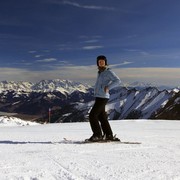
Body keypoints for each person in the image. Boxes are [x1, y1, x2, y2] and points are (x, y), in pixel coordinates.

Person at [86, 55, 121, 142]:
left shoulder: (108, 72)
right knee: (102, 117)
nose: (101, 63)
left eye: (102, 61)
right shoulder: (100, 72)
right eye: (99, 61)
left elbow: (117, 80)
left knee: (92, 115)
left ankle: (98, 135)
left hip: (103, 97)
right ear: (97, 63)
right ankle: (108, 135)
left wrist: (108, 87)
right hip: (99, 96)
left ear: (105, 62)